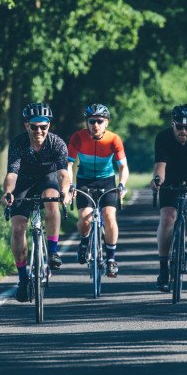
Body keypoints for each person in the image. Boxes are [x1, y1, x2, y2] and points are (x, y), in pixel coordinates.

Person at [2, 102, 72, 302]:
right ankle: (23, 279)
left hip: (47, 179)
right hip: (23, 182)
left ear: (49, 125)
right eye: (34, 127)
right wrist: (8, 192)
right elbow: (11, 175)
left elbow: (63, 174)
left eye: (43, 126)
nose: (39, 131)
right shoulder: (18, 144)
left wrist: (65, 191)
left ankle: (52, 252)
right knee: (18, 228)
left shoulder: (57, 143)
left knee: (51, 199)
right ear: (27, 126)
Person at [150, 104, 187, 292]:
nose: (183, 131)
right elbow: (160, 166)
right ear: (172, 124)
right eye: (179, 127)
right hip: (171, 174)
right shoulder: (163, 137)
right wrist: (158, 181)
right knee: (167, 218)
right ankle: (163, 270)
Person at [67, 103, 129, 277]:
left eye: (99, 121)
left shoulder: (114, 139)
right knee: (85, 218)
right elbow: (68, 163)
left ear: (106, 122)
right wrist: (69, 185)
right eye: (91, 121)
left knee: (109, 216)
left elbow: (123, 166)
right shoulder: (78, 137)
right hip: (84, 180)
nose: (95, 125)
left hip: (107, 180)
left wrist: (122, 184)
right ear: (87, 123)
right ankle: (85, 241)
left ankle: (110, 259)